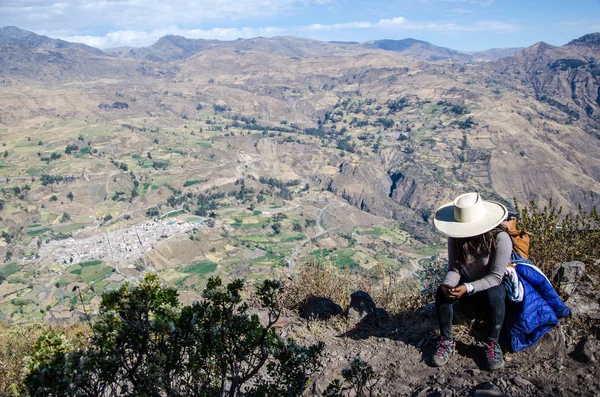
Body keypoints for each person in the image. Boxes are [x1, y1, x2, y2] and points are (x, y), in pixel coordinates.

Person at [431, 192, 512, 370]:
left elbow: (496, 277)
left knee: (495, 293)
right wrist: (448, 285)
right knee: (441, 292)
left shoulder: (500, 238)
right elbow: (455, 269)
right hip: (470, 286)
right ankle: (446, 340)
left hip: (493, 287)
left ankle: (492, 343)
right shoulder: (456, 239)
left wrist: (467, 288)